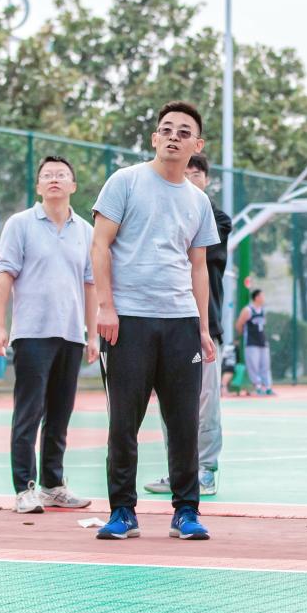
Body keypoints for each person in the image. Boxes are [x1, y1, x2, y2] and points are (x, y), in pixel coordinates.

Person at [92, 101, 219, 541]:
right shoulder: (125, 182)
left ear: (197, 145)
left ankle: (186, 511)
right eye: (166, 129)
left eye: (184, 132)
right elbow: (99, 246)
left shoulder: (198, 201)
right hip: (129, 321)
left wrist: (202, 328)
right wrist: (105, 307)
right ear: (154, 138)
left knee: (184, 423)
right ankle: (122, 512)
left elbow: (198, 267)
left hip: (180, 322)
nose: (173, 137)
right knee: (123, 423)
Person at [0, 155, 97, 513]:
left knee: (60, 414)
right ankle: (25, 488)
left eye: (61, 175)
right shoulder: (20, 224)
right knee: (29, 413)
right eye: (47, 175)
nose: (54, 179)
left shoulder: (85, 231)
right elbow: (4, 276)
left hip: (71, 335)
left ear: (73, 186)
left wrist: (92, 335)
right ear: (38, 186)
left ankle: (53, 485)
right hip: (32, 333)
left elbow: (90, 284)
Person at [145, 153, 232, 496]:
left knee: (205, 401)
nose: (191, 178)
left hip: (204, 324)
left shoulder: (217, 219)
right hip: (167, 320)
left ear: (206, 180)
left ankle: (206, 469)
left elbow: (190, 253)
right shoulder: (162, 211)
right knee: (171, 402)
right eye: (186, 172)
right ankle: (178, 471)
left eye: (197, 173)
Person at [235, 290, 274, 396]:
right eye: (262, 296)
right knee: (253, 365)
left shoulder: (263, 310)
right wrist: (242, 335)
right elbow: (239, 324)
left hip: (263, 342)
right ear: (256, 297)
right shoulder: (248, 310)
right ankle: (257, 387)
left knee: (265, 365)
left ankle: (267, 387)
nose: (264, 298)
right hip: (251, 343)